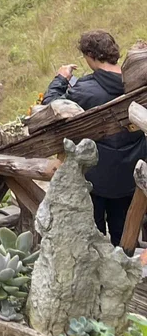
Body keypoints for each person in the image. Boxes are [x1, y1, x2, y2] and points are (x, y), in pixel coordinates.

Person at [40, 30, 147, 247]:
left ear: (90, 55)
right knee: (124, 233)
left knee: (93, 235)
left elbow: (50, 108)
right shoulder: (138, 84)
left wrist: (61, 78)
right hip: (132, 175)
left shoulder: (85, 90)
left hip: (96, 179)